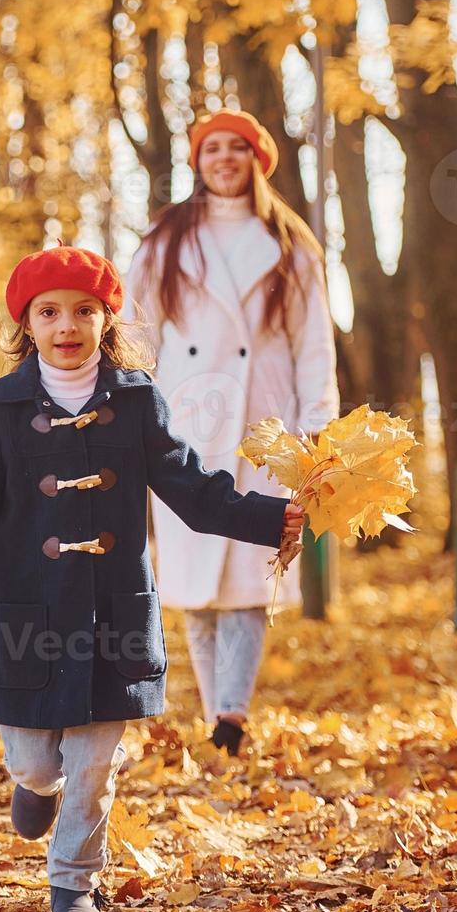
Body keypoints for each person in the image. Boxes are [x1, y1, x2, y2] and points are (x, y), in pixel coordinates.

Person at [0, 242, 305, 912]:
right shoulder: (0, 407)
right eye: (48, 312)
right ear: (28, 325)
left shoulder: (137, 401)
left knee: (93, 765)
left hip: (114, 608)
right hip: (25, 610)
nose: (66, 326)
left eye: (84, 311)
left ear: (107, 320)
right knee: (33, 760)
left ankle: (72, 888)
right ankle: (33, 784)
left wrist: (269, 516)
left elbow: (192, 491)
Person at [123, 108, 340, 757]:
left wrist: (316, 432)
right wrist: (136, 417)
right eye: (212, 148)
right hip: (186, 424)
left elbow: (314, 346)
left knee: (252, 573)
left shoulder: (291, 244)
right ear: (197, 161)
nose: (223, 158)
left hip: (265, 427)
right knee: (194, 582)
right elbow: (136, 336)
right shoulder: (164, 242)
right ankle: (219, 711)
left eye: (236, 148)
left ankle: (230, 719)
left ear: (257, 159)